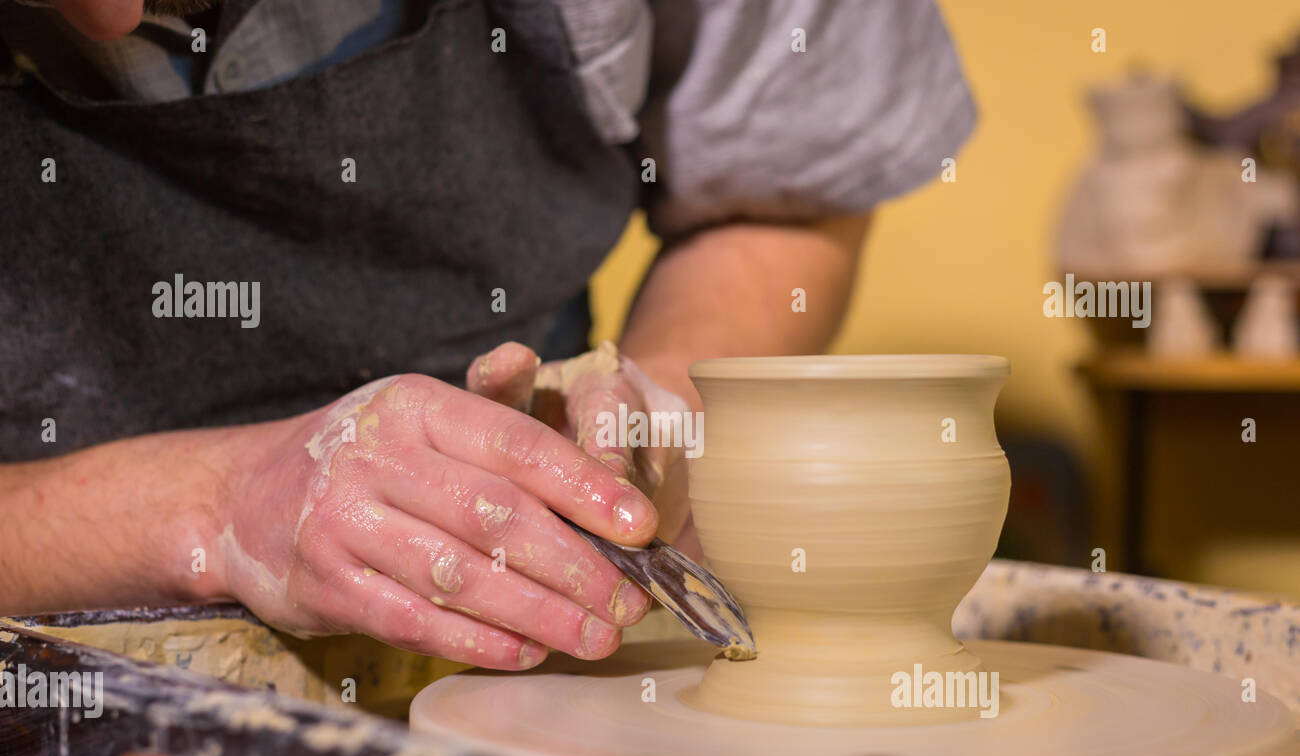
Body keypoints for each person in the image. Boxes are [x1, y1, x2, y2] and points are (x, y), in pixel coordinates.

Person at [0, 0, 974, 668]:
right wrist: (216, 507)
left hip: (522, 669)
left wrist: (660, 405)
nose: (115, 21)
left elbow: (784, 188)